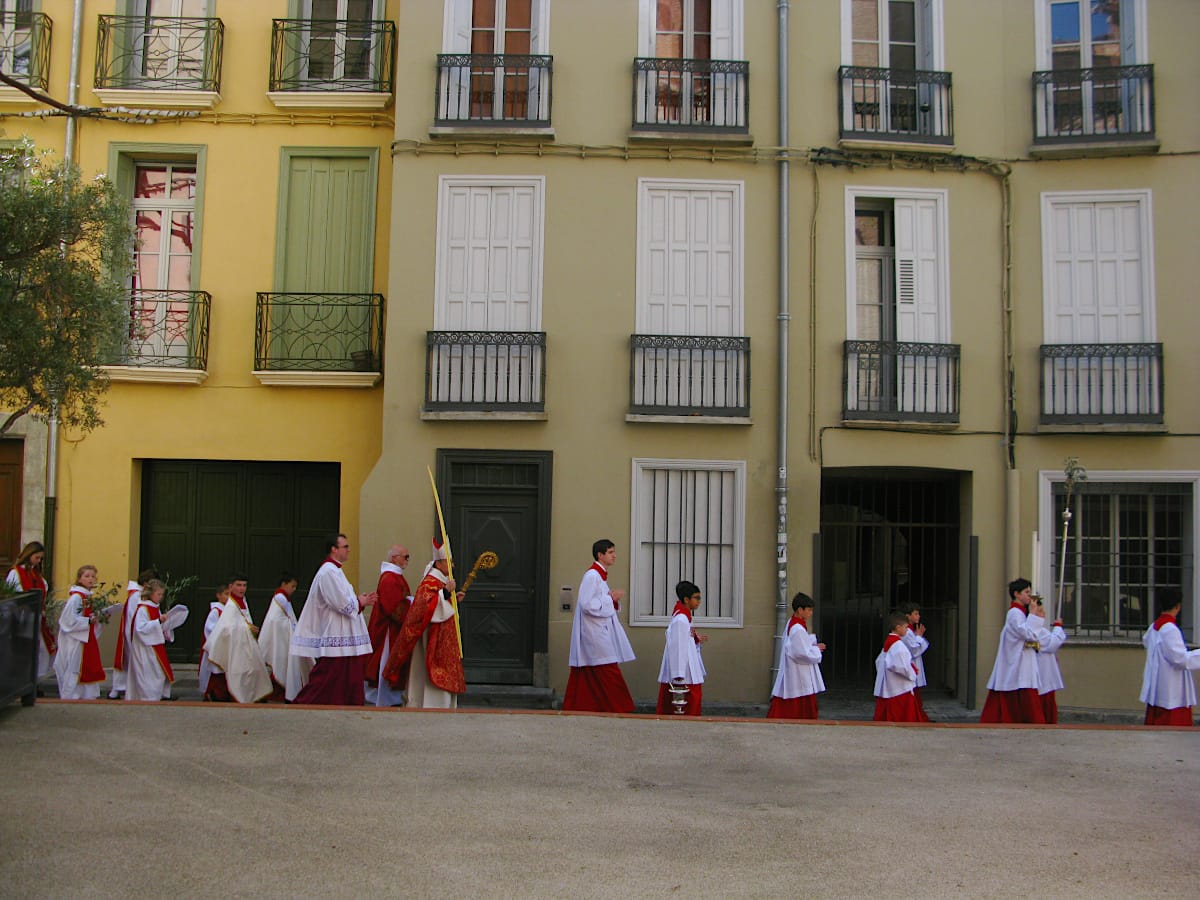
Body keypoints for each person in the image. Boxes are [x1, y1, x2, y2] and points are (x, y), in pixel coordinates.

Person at [290, 533, 376, 705]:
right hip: (335, 632)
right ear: (333, 549)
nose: (349, 550)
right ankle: (305, 704)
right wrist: (360, 601)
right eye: (345, 547)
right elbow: (341, 603)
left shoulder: (335, 570)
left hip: (344, 633)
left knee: (345, 675)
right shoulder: (327, 572)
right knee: (329, 675)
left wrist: (359, 599)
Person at [383, 538, 465, 709]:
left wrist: (452, 598)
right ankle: (428, 703)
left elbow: (440, 603)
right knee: (427, 673)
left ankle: (442, 703)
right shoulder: (430, 581)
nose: (453, 566)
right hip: (430, 638)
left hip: (442, 637)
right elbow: (424, 606)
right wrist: (444, 592)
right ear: (440, 563)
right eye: (450, 562)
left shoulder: (441, 580)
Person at [562, 539, 636, 713]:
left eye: (614, 552)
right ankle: (620, 706)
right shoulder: (592, 576)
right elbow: (587, 604)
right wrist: (611, 598)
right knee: (607, 669)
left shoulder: (599, 576)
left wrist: (611, 599)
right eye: (610, 552)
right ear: (600, 555)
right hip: (594, 632)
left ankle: (585, 705)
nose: (614, 555)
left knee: (593, 669)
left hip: (598, 630)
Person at [979, 579, 1046, 724]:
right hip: (1018, 662)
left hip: (1022, 659)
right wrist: (1034, 615)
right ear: (1016, 594)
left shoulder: (1020, 613)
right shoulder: (1015, 613)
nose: (1029, 596)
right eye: (1026, 592)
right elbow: (1027, 634)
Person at [204, 573, 273, 704]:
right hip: (235, 647)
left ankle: (253, 695)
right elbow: (226, 629)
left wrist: (249, 629)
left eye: (244, 585)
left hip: (245, 644)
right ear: (231, 587)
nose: (242, 588)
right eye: (238, 585)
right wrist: (247, 629)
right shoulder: (230, 605)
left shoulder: (243, 602)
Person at [1139, 590, 1200, 726]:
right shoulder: (1170, 629)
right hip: (1171, 689)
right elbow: (1181, 659)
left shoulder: (1153, 627)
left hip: (1159, 685)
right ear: (1178, 606)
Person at [364, 545, 412, 707]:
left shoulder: (394, 576)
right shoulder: (390, 579)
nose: (407, 560)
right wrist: (410, 609)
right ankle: (384, 698)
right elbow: (393, 606)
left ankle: (389, 697)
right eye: (405, 557)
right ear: (394, 558)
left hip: (393, 629)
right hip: (388, 631)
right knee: (386, 662)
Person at [767, 592, 826, 720]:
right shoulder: (797, 628)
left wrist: (811, 643)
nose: (811, 613)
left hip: (792, 670)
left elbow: (796, 644)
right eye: (809, 610)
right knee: (800, 700)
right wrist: (816, 650)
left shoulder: (792, 623)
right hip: (798, 673)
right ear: (800, 610)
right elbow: (801, 653)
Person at [53, 565, 107, 700]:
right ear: (79, 579)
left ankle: (86, 695)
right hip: (75, 640)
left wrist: (99, 618)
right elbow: (67, 620)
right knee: (74, 667)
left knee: (85, 666)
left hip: (85, 638)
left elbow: (88, 617)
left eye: (93, 576)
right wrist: (87, 621)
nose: (91, 579)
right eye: (87, 576)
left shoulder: (88, 597)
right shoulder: (76, 598)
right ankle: (71, 695)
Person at [655, 581, 707, 715]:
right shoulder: (681, 619)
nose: (699, 601)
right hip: (683, 674)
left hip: (687, 668)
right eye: (696, 598)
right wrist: (678, 675)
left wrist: (695, 639)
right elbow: (677, 647)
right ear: (686, 599)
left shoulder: (685, 616)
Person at [7, 541, 54, 680]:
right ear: (29, 555)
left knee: (41, 650)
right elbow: (12, 596)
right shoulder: (16, 573)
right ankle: (25, 679)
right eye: (37, 558)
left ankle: (36, 679)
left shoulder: (37, 574)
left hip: (37, 618)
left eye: (40, 559)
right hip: (23, 619)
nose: (38, 561)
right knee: (26, 650)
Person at [109, 568, 158, 699]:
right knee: (131, 661)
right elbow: (133, 618)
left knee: (128, 662)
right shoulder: (137, 596)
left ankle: (120, 688)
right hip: (134, 634)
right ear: (147, 584)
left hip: (132, 632)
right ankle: (122, 688)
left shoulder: (137, 594)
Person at [125, 579, 174, 702]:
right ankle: (147, 697)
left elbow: (157, 625)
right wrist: (158, 622)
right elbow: (140, 629)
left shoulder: (154, 607)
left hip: (154, 646)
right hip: (144, 648)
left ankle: (154, 696)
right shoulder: (143, 608)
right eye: (158, 594)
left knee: (157, 672)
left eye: (162, 595)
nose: (160, 597)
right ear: (150, 593)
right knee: (147, 673)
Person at [873, 611, 921, 722]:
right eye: (905, 627)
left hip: (890, 685)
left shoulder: (889, 642)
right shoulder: (898, 645)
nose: (907, 630)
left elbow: (879, 661)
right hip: (900, 689)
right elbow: (902, 667)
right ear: (898, 628)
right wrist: (912, 672)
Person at [258, 573, 299, 702]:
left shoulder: (282, 597)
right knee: (281, 664)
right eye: (292, 586)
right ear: (284, 584)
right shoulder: (281, 598)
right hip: (280, 638)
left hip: (281, 637)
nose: (294, 589)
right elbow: (280, 620)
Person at [198, 581, 230, 700]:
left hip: (225, 646)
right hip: (216, 647)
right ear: (218, 595)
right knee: (214, 671)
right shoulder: (216, 611)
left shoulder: (228, 609)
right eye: (226, 594)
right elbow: (210, 629)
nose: (228, 597)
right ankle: (211, 692)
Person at [900, 602, 931, 722]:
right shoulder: (906, 631)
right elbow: (914, 649)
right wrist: (919, 637)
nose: (918, 616)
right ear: (908, 616)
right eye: (916, 614)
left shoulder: (910, 630)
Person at [1035, 612, 1068, 724]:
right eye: (1039, 611)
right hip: (1042, 670)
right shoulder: (1037, 630)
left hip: (1044, 667)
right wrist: (1058, 627)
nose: (1043, 614)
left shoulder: (1038, 629)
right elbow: (1053, 643)